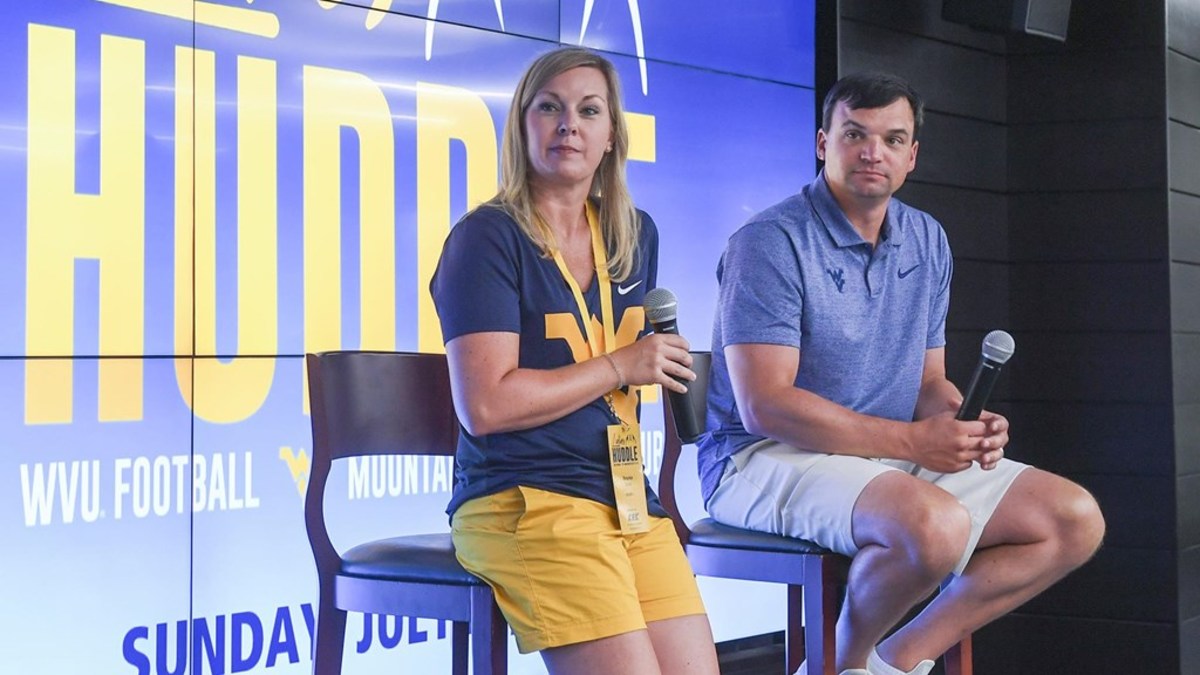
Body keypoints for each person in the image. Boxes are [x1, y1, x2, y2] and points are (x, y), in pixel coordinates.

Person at [696, 72, 1106, 675]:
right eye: (855, 134)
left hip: (880, 457)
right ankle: (841, 664)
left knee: (1072, 520)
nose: (872, 152)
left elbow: (927, 384)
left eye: (892, 139)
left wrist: (960, 421)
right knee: (933, 527)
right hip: (760, 455)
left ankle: (893, 661)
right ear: (821, 143)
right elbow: (766, 406)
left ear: (911, 156)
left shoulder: (926, 238)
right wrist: (914, 443)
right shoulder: (770, 242)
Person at [430, 47, 720, 675]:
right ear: (523, 124)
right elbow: (485, 406)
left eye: (590, 110)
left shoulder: (634, 233)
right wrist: (620, 365)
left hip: (627, 499)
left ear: (612, 135)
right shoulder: (487, 237)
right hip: (525, 496)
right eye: (550, 108)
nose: (570, 124)